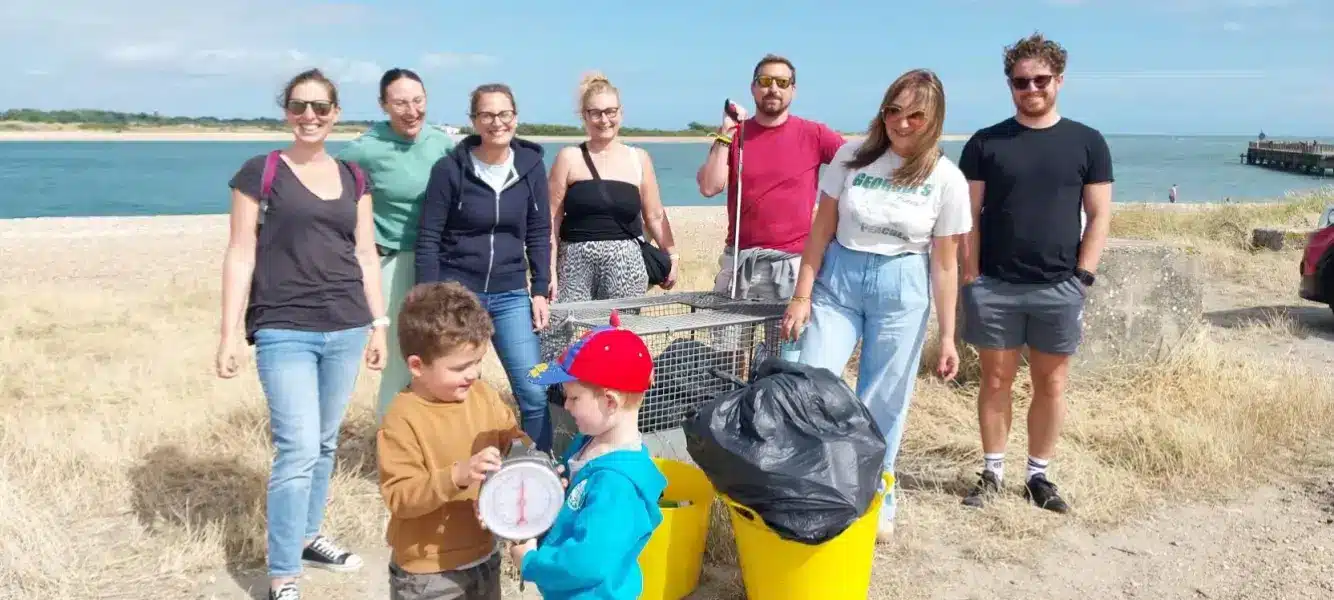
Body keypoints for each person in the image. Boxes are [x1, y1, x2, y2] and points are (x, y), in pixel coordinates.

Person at [215, 68, 388, 600]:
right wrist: (227, 335)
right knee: (297, 449)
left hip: (347, 324)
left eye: (320, 107)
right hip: (283, 327)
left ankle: (310, 536)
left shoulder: (354, 177)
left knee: (325, 441)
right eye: (299, 106)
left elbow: (365, 253)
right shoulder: (261, 172)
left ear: (336, 114)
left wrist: (379, 324)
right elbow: (240, 252)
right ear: (286, 112)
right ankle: (283, 574)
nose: (309, 116)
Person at [780, 69, 971, 541]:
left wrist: (948, 336)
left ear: (934, 119)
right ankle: (815, 485)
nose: (902, 123)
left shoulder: (946, 178)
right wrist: (802, 295)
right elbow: (820, 230)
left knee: (884, 399)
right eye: (893, 111)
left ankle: (877, 492)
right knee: (814, 382)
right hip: (839, 280)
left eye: (915, 115)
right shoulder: (851, 156)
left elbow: (945, 265)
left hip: (903, 285)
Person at [957, 32, 1113, 514]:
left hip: (1059, 286)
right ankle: (992, 472)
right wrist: (971, 278)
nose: (1031, 89)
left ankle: (1038, 477)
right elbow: (968, 216)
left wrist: (1083, 277)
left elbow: (1099, 215)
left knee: (1052, 384)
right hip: (995, 286)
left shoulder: (1088, 142)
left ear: (1059, 80)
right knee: (995, 381)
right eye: (1020, 82)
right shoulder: (985, 142)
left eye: (1040, 80)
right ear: (1010, 85)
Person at [415, 83, 555, 452]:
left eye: (504, 114)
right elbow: (429, 237)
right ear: (474, 121)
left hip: (511, 295)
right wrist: (428, 299)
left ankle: (539, 465)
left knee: (533, 390)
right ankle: (451, 465)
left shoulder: (531, 168)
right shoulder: (449, 170)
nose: (497, 122)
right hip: (459, 295)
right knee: (452, 388)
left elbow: (539, 232)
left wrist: (540, 289)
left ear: (516, 117)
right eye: (487, 115)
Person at [377, 281, 530, 600]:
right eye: (460, 367)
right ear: (417, 366)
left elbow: (516, 442)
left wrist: (531, 468)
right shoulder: (402, 419)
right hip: (428, 575)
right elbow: (400, 496)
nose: (472, 373)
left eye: (478, 362)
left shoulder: (483, 396)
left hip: (485, 556)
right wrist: (457, 475)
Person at [508, 315, 667, 599]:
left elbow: (586, 563)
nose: (566, 406)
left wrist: (531, 563)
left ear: (609, 401)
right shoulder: (588, 442)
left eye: (574, 398)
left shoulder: (618, 485)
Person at [336, 68, 456, 422]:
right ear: (383, 105)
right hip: (393, 262)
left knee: (442, 354)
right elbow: (332, 193)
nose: (412, 111)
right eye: (401, 103)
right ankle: (390, 438)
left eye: (418, 101)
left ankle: (435, 433)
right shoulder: (364, 149)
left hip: (441, 261)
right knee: (402, 358)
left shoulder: (443, 144)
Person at [695, 53, 845, 301]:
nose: (773, 89)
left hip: (794, 265)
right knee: (726, 329)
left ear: (793, 90)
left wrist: (832, 213)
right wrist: (725, 134)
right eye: (765, 81)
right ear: (753, 88)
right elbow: (710, 187)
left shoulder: (815, 134)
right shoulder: (735, 135)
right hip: (740, 262)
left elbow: (857, 165)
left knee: (790, 329)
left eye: (782, 82)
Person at [548, 72, 679, 302]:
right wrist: (548, 271)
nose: (604, 120)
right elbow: (551, 219)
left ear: (621, 112)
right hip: (573, 265)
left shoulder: (639, 158)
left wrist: (673, 256)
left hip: (627, 266)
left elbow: (655, 216)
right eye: (596, 113)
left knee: (622, 326)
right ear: (584, 116)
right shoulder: (569, 157)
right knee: (566, 326)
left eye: (611, 111)